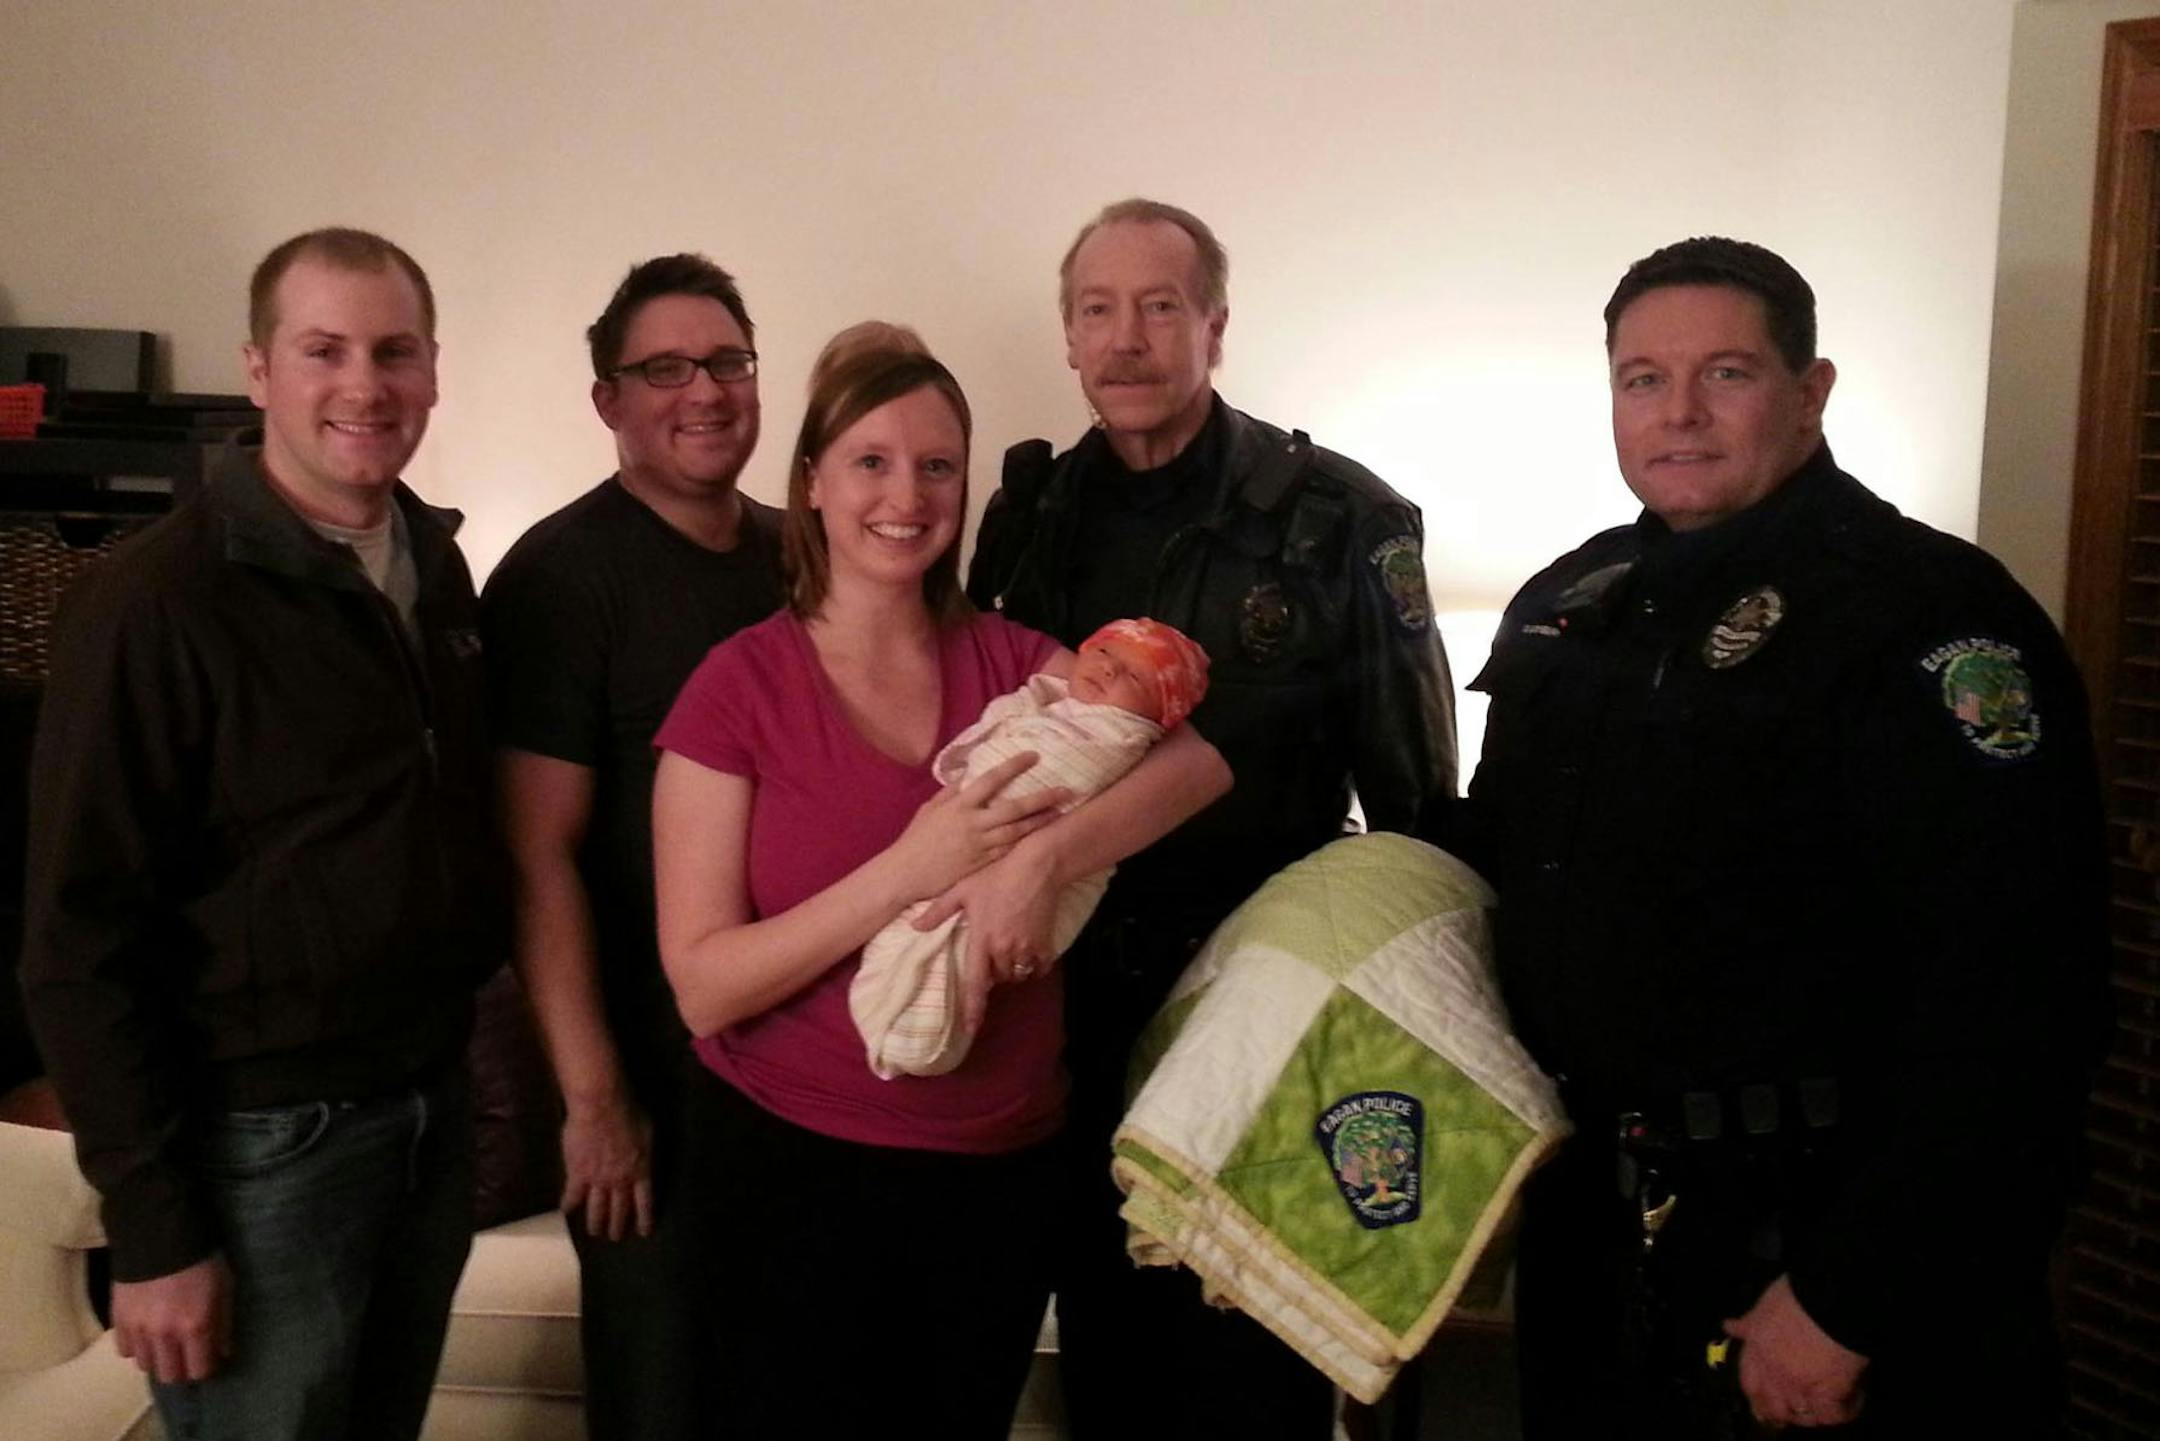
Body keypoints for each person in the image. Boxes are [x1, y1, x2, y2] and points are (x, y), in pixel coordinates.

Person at [1466, 236, 2108, 1436]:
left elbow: (2019, 998)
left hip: (1820, 1247)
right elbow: (1492, 864)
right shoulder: (1573, 605)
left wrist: (1850, 1297)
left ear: (1811, 393)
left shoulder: (1927, 614)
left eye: (1727, 373)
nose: (1680, 413)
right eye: (1643, 379)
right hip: (1602, 1235)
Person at [651, 340, 1231, 1438]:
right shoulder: (738, 686)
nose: (906, 497)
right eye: (870, 463)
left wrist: (1036, 861)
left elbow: (1197, 765)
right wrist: (912, 869)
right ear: (812, 481)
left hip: (997, 1179)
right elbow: (704, 986)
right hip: (791, 1175)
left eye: (937, 467)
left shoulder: (1018, 665)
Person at [965, 197, 1459, 1438]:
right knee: (1107, 1363)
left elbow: (1417, 817)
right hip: (1070, 1004)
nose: (1126, 338)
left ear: (1216, 327)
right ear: (1068, 335)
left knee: (1247, 1374)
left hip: (1257, 1009)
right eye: (1098, 309)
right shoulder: (1027, 519)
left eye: (1160, 306)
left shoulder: (1342, 521)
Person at [19, 227, 503, 1441]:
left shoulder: (435, 568)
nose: (365, 385)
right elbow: (76, 940)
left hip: (425, 1116)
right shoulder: (153, 603)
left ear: (433, 368)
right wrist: (155, 1228)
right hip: (262, 1151)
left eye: (394, 351)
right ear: (257, 369)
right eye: (323, 350)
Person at [478, 253, 781, 1441]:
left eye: (727, 361)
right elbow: (533, 856)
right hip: (651, 1075)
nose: (704, 390)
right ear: (608, 399)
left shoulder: (803, 554)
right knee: (663, 1398)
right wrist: (595, 1098)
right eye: (665, 369)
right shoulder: (559, 578)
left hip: (792, 1064)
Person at [852, 616, 1211, 1077]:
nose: (1109, 669)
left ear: (1158, 717)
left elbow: (1198, 767)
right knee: (916, 935)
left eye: (1136, 677)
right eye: (1104, 652)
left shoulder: (1114, 736)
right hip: (944, 867)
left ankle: (914, 1029)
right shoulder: (1048, 703)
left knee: (954, 951)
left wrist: (1031, 863)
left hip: (1022, 1082)